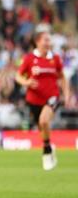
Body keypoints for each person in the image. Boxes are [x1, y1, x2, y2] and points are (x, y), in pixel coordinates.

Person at [15, 29, 70, 170]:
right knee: (42, 127)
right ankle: (49, 145)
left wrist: (67, 93)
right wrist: (26, 83)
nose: (48, 43)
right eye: (45, 40)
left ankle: (46, 151)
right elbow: (18, 76)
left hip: (52, 97)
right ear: (37, 42)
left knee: (44, 121)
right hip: (33, 100)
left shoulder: (55, 58)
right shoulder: (29, 58)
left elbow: (62, 77)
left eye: (49, 40)